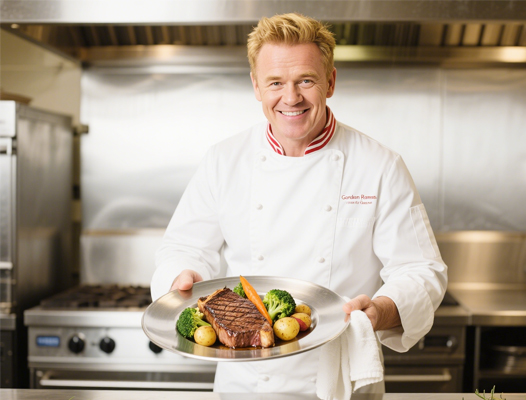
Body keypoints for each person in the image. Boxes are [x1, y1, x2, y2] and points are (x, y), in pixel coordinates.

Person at [151, 13, 447, 394]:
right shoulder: (224, 161)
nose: (290, 98)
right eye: (275, 82)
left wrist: (381, 310)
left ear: (331, 82)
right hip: (246, 384)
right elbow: (183, 247)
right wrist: (182, 275)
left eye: (306, 80)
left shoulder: (380, 166)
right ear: (256, 86)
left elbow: (421, 270)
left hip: (340, 382)